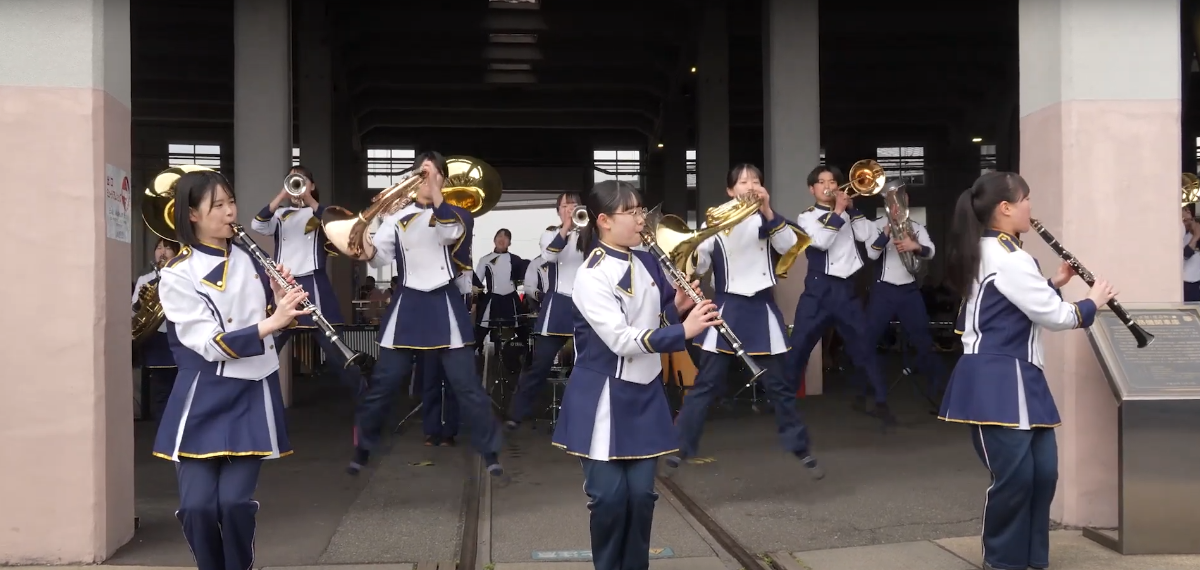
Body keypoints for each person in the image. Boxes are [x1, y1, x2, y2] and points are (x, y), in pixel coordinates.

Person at [940, 171, 1115, 570]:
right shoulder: (1007, 256)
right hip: (995, 379)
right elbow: (1055, 317)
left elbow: (1009, 305)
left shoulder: (999, 254)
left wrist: (1052, 281)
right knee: (1015, 480)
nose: (1030, 207)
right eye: (1026, 200)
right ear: (1006, 208)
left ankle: (1033, 561)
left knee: (1042, 475)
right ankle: (1002, 562)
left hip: (1021, 376)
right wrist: (1093, 301)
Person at [551, 180, 722, 570]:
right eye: (632, 212)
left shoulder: (646, 261)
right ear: (605, 221)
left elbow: (654, 316)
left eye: (641, 209)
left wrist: (678, 306)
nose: (641, 219)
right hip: (603, 399)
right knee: (609, 499)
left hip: (645, 393)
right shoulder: (590, 275)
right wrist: (686, 329)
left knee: (643, 498)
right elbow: (621, 339)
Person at [153, 169, 308, 570]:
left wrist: (281, 308)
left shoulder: (254, 261)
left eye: (230, 202)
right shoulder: (176, 275)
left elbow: (269, 340)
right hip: (201, 399)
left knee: (235, 503)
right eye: (217, 205)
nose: (228, 212)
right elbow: (209, 343)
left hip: (251, 394)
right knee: (198, 508)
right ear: (192, 215)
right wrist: (271, 322)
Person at [348, 151, 507, 483]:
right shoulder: (396, 217)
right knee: (384, 384)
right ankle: (362, 448)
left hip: (444, 302)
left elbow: (448, 233)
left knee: (466, 385)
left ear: (443, 180)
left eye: (430, 173)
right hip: (407, 302)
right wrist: (361, 241)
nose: (423, 179)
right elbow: (378, 260)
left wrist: (436, 192)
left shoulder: (459, 214)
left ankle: (490, 452)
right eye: (419, 174)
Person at [665, 164, 823, 478]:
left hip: (762, 310)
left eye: (755, 181)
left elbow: (787, 246)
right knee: (705, 384)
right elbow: (699, 264)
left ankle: (800, 448)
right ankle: (680, 447)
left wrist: (767, 209)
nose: (749, 185)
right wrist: (687, 259)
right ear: (730, 190)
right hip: (726, 309)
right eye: (742, 181)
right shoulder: (716, 224)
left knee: (779, 386)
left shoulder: (770, 222)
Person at [789, 165, 895, 425]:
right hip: (819, 288)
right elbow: (821, 242)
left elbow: (870, 247)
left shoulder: (850, 214)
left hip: (847, 289)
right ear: (811, 189)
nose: (828, 185)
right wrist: (838, 211)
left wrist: (853, 210)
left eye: (832, 181)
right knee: (799, 346)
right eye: (821, 181)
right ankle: (783, 403)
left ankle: (879, 401)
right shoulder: (806, 217)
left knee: (864, 345)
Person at [250, 165, 364, 393]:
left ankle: (366, 401)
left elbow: (336, 223)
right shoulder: (280, 215)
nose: (296, 184)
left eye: (301, 180)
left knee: (337, 352)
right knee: (266, 348)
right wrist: (283, 194)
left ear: (312, 185)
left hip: (314, 285)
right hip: (283, 286)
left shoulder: (321, 212)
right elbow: (257, 224)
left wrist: (309, 199)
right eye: (291, 180)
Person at [506, 192, 585, 429]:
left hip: (586, 304)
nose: (570, 209)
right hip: (558, 305)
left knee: (588, 365)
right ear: (558, 211)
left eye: (574, 205)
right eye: (565, 206)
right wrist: (567, 228)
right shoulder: (550, 234)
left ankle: (583, 417)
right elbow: (549, 254)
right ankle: (516, 414)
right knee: (540, 364)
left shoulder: (590, 235)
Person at [862, 180, 945, 402]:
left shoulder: (917, 227)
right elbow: (871, 255)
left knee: (923, 339)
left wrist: (915, 246)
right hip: (883, 291)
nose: (897, 204)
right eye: (891, 200)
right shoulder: (876, 224)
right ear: (886, 204)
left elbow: (931, 252)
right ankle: (873, 389)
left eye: (901, 198)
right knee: (869, 338)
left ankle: (935, 388)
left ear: (906, 201)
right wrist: (886, 233)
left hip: (908, 290)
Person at [133, 237, 180, 420]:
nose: (162, 252)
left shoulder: (182, 276)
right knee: (160, 392)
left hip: (179, 336)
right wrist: (141, 302)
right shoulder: (146, 279)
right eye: (159, 248)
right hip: (157, 339)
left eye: (167, 248)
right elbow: (134, 310)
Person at [474, 228, 527, 346]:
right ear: (494, 240)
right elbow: (477, 282)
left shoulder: (516, 259)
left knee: (524, 334)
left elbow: (525, 280)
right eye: (499, 236)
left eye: (506, 237)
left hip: (511, 299)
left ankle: (527, 360)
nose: (502, 239)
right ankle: (475, 359)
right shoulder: (485, 259)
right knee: (480, 333)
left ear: (510, 242)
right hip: (492, 299)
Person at [1182, 204, 1199, 302]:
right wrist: (1196, 236)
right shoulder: (1185, 236)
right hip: (1186, 282)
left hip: (1197, 282)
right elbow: (1186, 254)